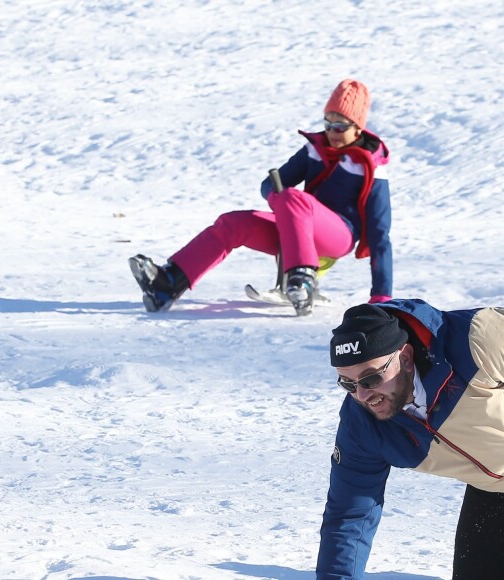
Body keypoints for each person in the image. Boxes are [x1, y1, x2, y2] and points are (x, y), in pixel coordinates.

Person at [129, 79, 393, 315]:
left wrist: (381, 295)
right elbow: (271, 183)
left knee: (292, 198)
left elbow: (380, 233)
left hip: (339, 235)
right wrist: (278, 200)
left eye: (340, 126)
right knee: (233, 223)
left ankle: (301, 279)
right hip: (297, 223)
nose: (332, 132)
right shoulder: (315, 149)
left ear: (357, 128)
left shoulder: (371, 164)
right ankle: (168, 284)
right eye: (327, 124)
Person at [318, 300, 504, 579]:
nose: (363, 395)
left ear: (404, 358)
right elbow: (349, 515)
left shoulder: (476, 339)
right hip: (493, 491)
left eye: (370, 379)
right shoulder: (362, 425)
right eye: (348, 384)